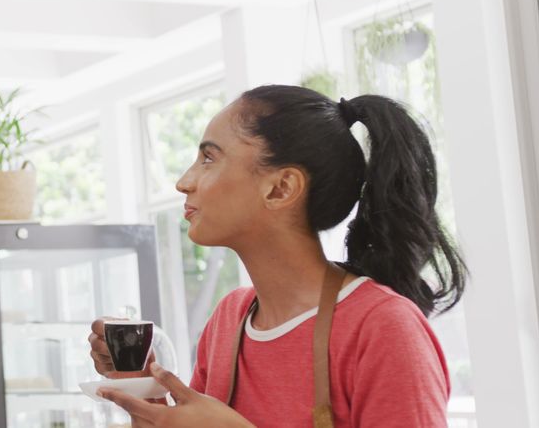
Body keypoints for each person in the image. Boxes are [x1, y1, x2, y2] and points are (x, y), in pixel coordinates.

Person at [88, 85, 467, 427]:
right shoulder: (229, 320)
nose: (184, 182)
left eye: (209, 158)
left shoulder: (383, 327)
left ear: (281, 188)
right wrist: (143, 392)